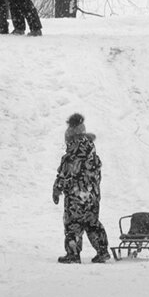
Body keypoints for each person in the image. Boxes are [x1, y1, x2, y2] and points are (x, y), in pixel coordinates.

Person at [52, 113, 110, 264]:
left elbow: (67, 174)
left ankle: (73, 254)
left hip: (76, 196)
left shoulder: (74, 153)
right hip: (92, 196)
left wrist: (57, 188)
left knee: (73, 224)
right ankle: (102, 251)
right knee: (92, 223)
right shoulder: (91, 153)